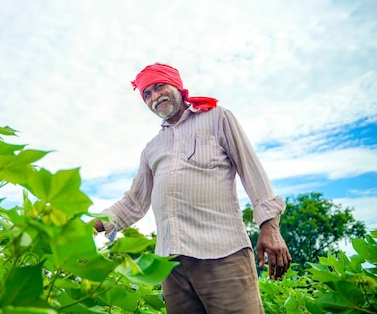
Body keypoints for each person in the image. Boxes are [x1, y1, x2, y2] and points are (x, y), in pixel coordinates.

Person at [92, 62, 291, 314]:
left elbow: (252, 172)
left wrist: (270, 228)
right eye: (147, 94)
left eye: (159, 86)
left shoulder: (217, 118)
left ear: (176, 85)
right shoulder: (152, 148)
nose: (154, 97)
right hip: (171, 265)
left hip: (222, 254)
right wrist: (93, 226)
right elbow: (133, 203)